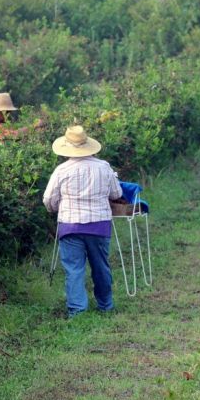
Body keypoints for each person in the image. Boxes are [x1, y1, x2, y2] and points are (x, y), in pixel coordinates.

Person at [43, 126, 123, 317]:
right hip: (99, 224)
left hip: (70, 225)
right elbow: (116, 193)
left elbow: (48, 199)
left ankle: (77, 310)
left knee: (74, 269)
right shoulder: (104, 167)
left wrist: (54, 208)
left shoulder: (61, 170)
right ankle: (105, 305)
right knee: (100, 266)